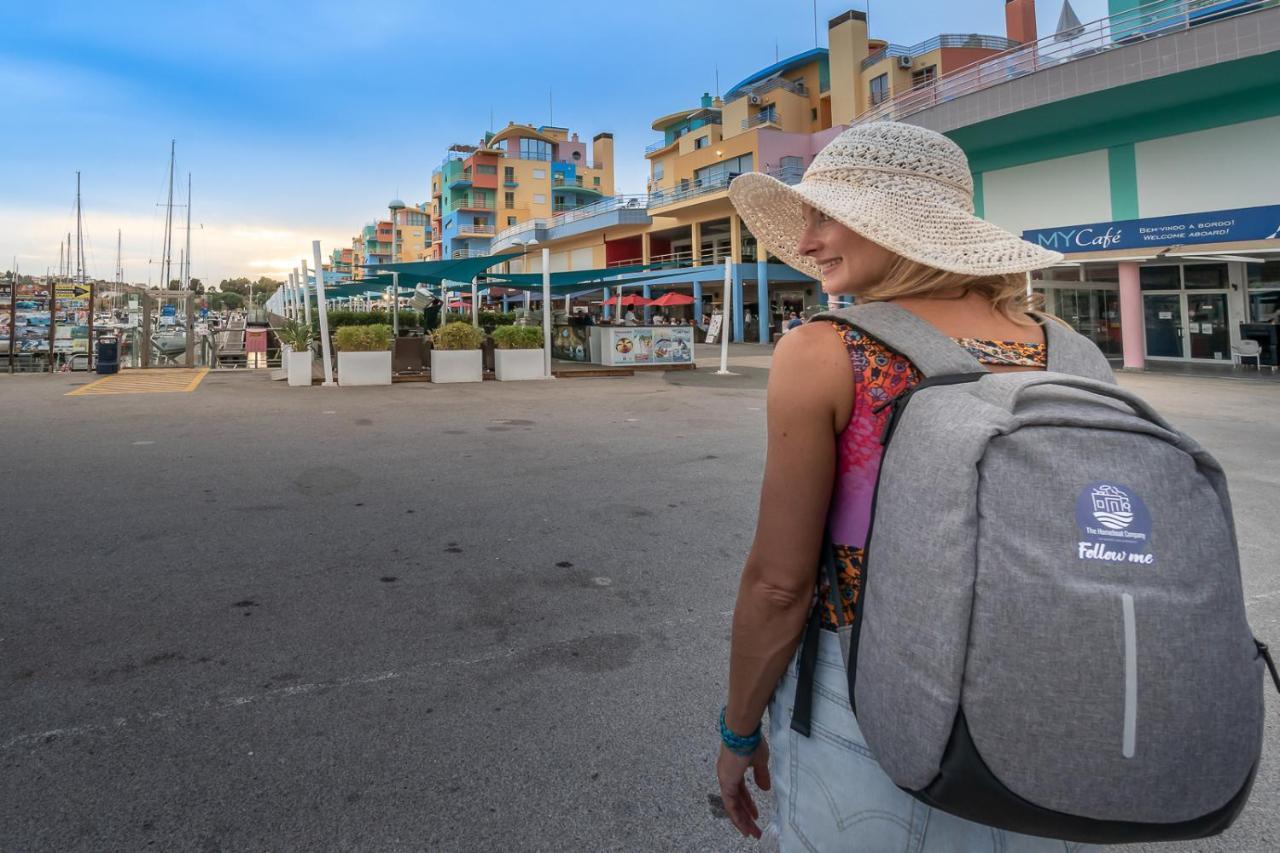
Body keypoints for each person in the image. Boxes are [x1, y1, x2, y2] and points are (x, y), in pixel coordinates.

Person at [717, 122, 1092, 850]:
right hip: (1050, 701)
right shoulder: (1068, 348)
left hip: (871, 695)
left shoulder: (828, 350)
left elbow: (779, 586)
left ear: (891, 224)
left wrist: (737, 728)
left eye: (825, 216)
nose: (808, 240)